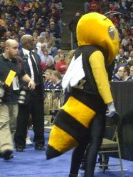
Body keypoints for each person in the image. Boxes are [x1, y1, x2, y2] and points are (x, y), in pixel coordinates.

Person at [46, 12, 119, 177]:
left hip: (79, 103)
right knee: (94, 143)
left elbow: (70, 80)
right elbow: (101, 81)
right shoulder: (96, 53)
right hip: (95, 105)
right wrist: (110, 103)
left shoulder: (78, 52)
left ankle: (73, 174)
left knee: (81, 142)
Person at [0, 39, 35, 160]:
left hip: (14, 98)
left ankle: (0, 149)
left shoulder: (19, 61)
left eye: (17, 48)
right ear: (6, 48)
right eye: (15, 48)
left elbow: (22, 75)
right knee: (3, 123)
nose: (17, 50)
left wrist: (30, 80)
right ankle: (7, 148)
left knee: (12, 125)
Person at [14, 35, 45, 152]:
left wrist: (42, 91)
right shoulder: (18, 56)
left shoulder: (36, 56)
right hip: (24, 90)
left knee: (39, 118)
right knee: (22, 118)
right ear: (26, 43)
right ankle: (20, 144)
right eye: (32, 41)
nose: (34, 42)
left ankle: (40, 143)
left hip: (37, 90)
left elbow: (39, 74)